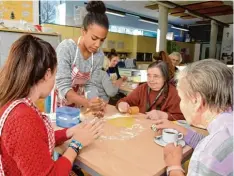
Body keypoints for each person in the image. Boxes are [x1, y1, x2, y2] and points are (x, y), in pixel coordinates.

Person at [0, 34, 104, 175]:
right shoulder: (22, 119)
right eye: (56, 74)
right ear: (47, 74)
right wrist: (76, 145)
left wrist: (69, 132)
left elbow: (34, 145)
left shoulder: (18, 104)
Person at [154, 59, 233, 176]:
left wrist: (173, 165)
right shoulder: (226, 127)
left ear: (196, 101)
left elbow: (210, 148)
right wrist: (175, 127)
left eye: (181, 98)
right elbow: (213, 143)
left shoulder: (207, 155)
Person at [54, 1, 109, 116]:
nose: (98, 44)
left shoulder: (98, 55)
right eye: (94, 38)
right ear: (83, 31)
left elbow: (91, 84)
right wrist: (87, 103)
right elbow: (63, 86)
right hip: (60, 100)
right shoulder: (67, 48)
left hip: (79, 102)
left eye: (102, 40)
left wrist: (95, 102)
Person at [117, 60, 184, 121]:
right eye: (149, 76)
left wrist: (164, 115)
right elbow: (124, 101)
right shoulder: (143, 88)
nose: (151, 80)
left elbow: (182, 117)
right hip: (142, 125)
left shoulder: (174, 93)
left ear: (164, 78)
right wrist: (121, 105)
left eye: (156, 76)